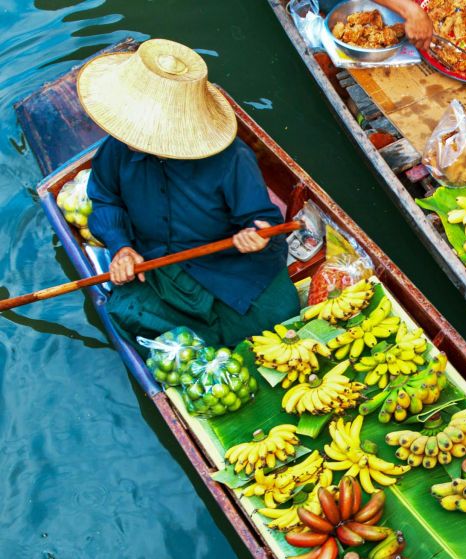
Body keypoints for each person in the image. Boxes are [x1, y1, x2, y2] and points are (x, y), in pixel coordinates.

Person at [78, 39, 300, 349]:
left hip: (226, 264)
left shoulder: (231, 159)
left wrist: (257, 234)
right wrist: (122, 248)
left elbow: (260, 218)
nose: (124, 134)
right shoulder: (116, 151)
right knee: (124, 311)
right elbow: (105, 198)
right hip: (156, 264)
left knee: (282, 311)